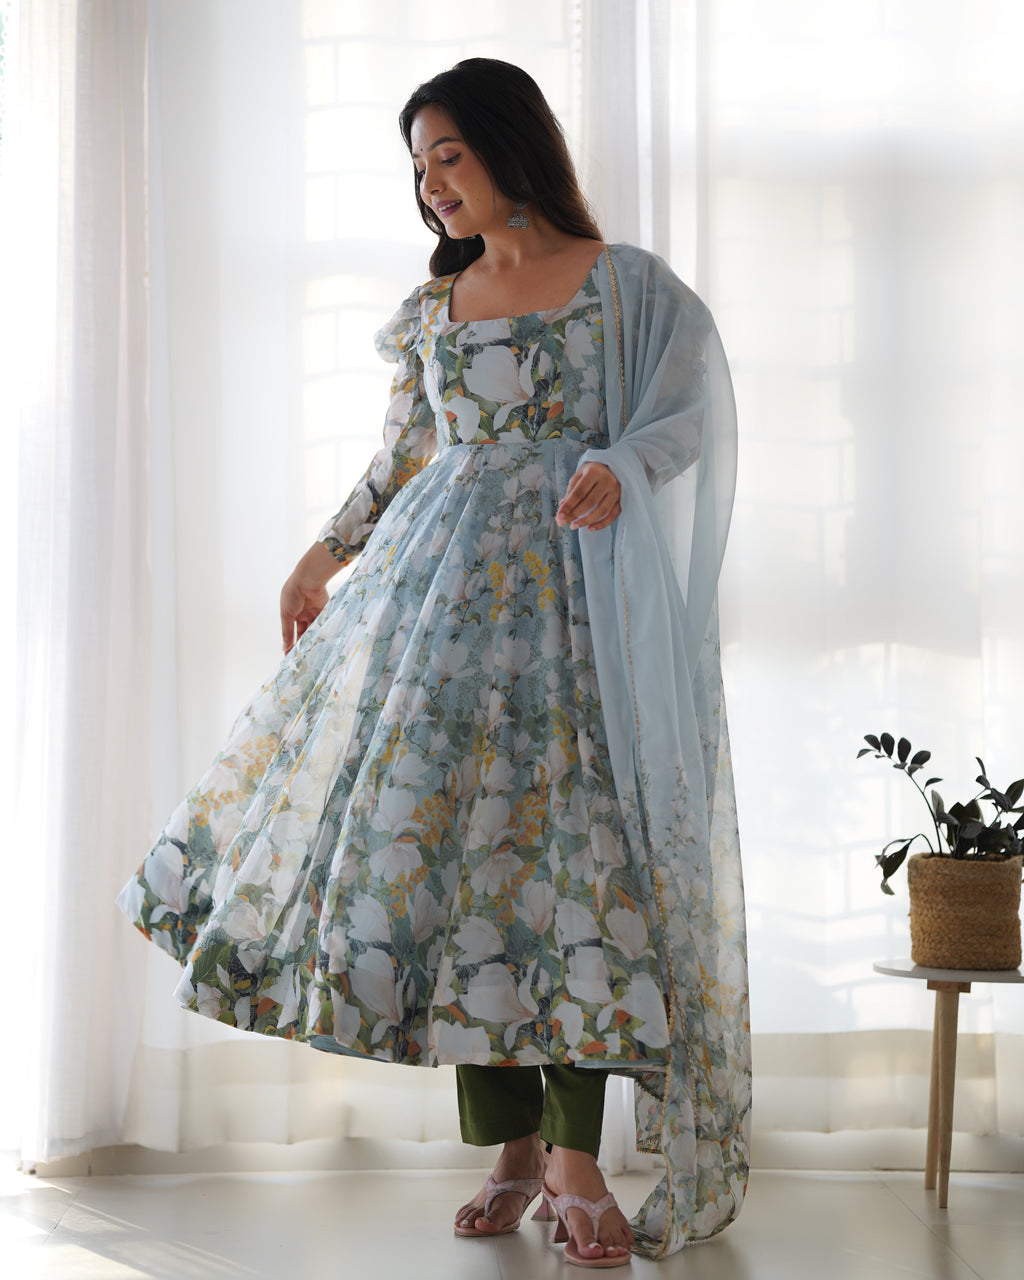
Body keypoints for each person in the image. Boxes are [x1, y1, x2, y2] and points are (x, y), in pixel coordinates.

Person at [116, 58, 750, 1265]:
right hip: (440, 616)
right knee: (467, 869)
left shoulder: (624, 287)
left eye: (448, 155)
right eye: (418, 166)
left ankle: (574, 1156)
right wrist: (320, 556)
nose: (432, 184)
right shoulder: (434, 308)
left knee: (578, 866)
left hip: (578, 612)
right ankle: (512, 1147)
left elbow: (688, 410)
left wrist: (622, 466)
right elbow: (404, 454)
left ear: (512, 144)